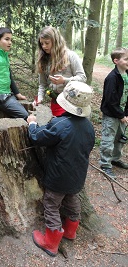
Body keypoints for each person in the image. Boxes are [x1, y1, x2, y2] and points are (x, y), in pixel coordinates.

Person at [27, 81, 95, 257]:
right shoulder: (89, 127)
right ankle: (71, 229)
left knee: (51, 204)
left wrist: (32, 123)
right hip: (78, 176)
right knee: (72, 199)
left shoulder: (60, 124)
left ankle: (51, 241)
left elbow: (37, 137)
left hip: (58, 177)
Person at [34, 26, 86, 116]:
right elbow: (42, 84)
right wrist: (40, 98)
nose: (44, 46)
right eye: (42, 44)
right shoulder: (43, 60)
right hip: (56, 102)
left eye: (47, 43)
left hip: (71, 104)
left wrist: (64, 80)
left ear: (55, 41)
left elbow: (82, 78)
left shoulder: (71, 56)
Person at [99, 47, 128, 179]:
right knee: (108, 138)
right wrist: (120, 115)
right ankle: (105, 164)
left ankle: (115, 159)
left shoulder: (127, 74)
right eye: (126, 59)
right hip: (112, 115)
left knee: (120, 138)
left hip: (123, 115)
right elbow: (110, 101)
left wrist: (125, 114)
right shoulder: (112, 78)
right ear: (116, 61)